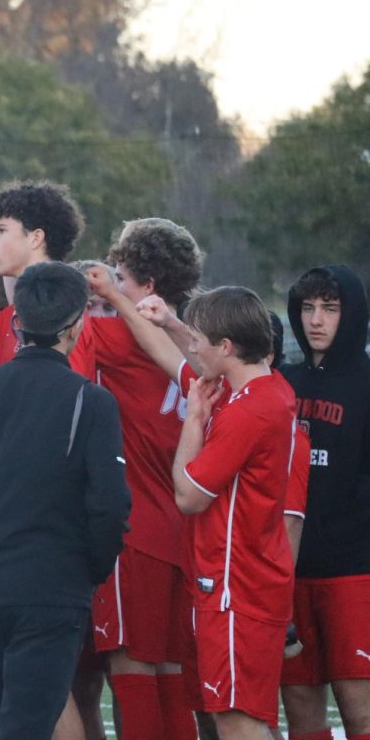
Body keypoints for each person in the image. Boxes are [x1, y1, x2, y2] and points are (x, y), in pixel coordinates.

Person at [0, 261, 129, 740]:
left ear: (16, 322)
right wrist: (87, 571)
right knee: (28, 725)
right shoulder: (90, 400)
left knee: (10, 723)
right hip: (52, 588)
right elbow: (109, 506)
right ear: (78, 325)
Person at [82, 218, 205, 740]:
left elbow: (48, 322)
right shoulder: (204, 343)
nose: (112, 286)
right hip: (186, 534)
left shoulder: (115, 335)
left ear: (147, 287)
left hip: (137, 534)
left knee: (132, 674)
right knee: (172, 677)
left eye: (122, 277)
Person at [171, 287, 295, 740]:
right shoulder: (270, 390)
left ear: (225, 347)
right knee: (246, 718)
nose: (192, 346)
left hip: (235, 587)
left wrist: (192, 422)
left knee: (238, 722)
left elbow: (188, 495)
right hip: (244, 580)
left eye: (198, 338)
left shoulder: (250, 411)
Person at [278, 266, 370, 740]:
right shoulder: (282, 381)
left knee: (359, 711)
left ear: (350, 313)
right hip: (289, 572)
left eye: (330, 309)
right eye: (308, 308)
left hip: (352, 572)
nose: (316, 320)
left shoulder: (366, 381)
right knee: (300, 711)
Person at [0, 180, 96, 378]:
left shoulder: (66, 314)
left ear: (35, 238)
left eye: (1, 231)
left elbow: (65, 392)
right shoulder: (11, 316)